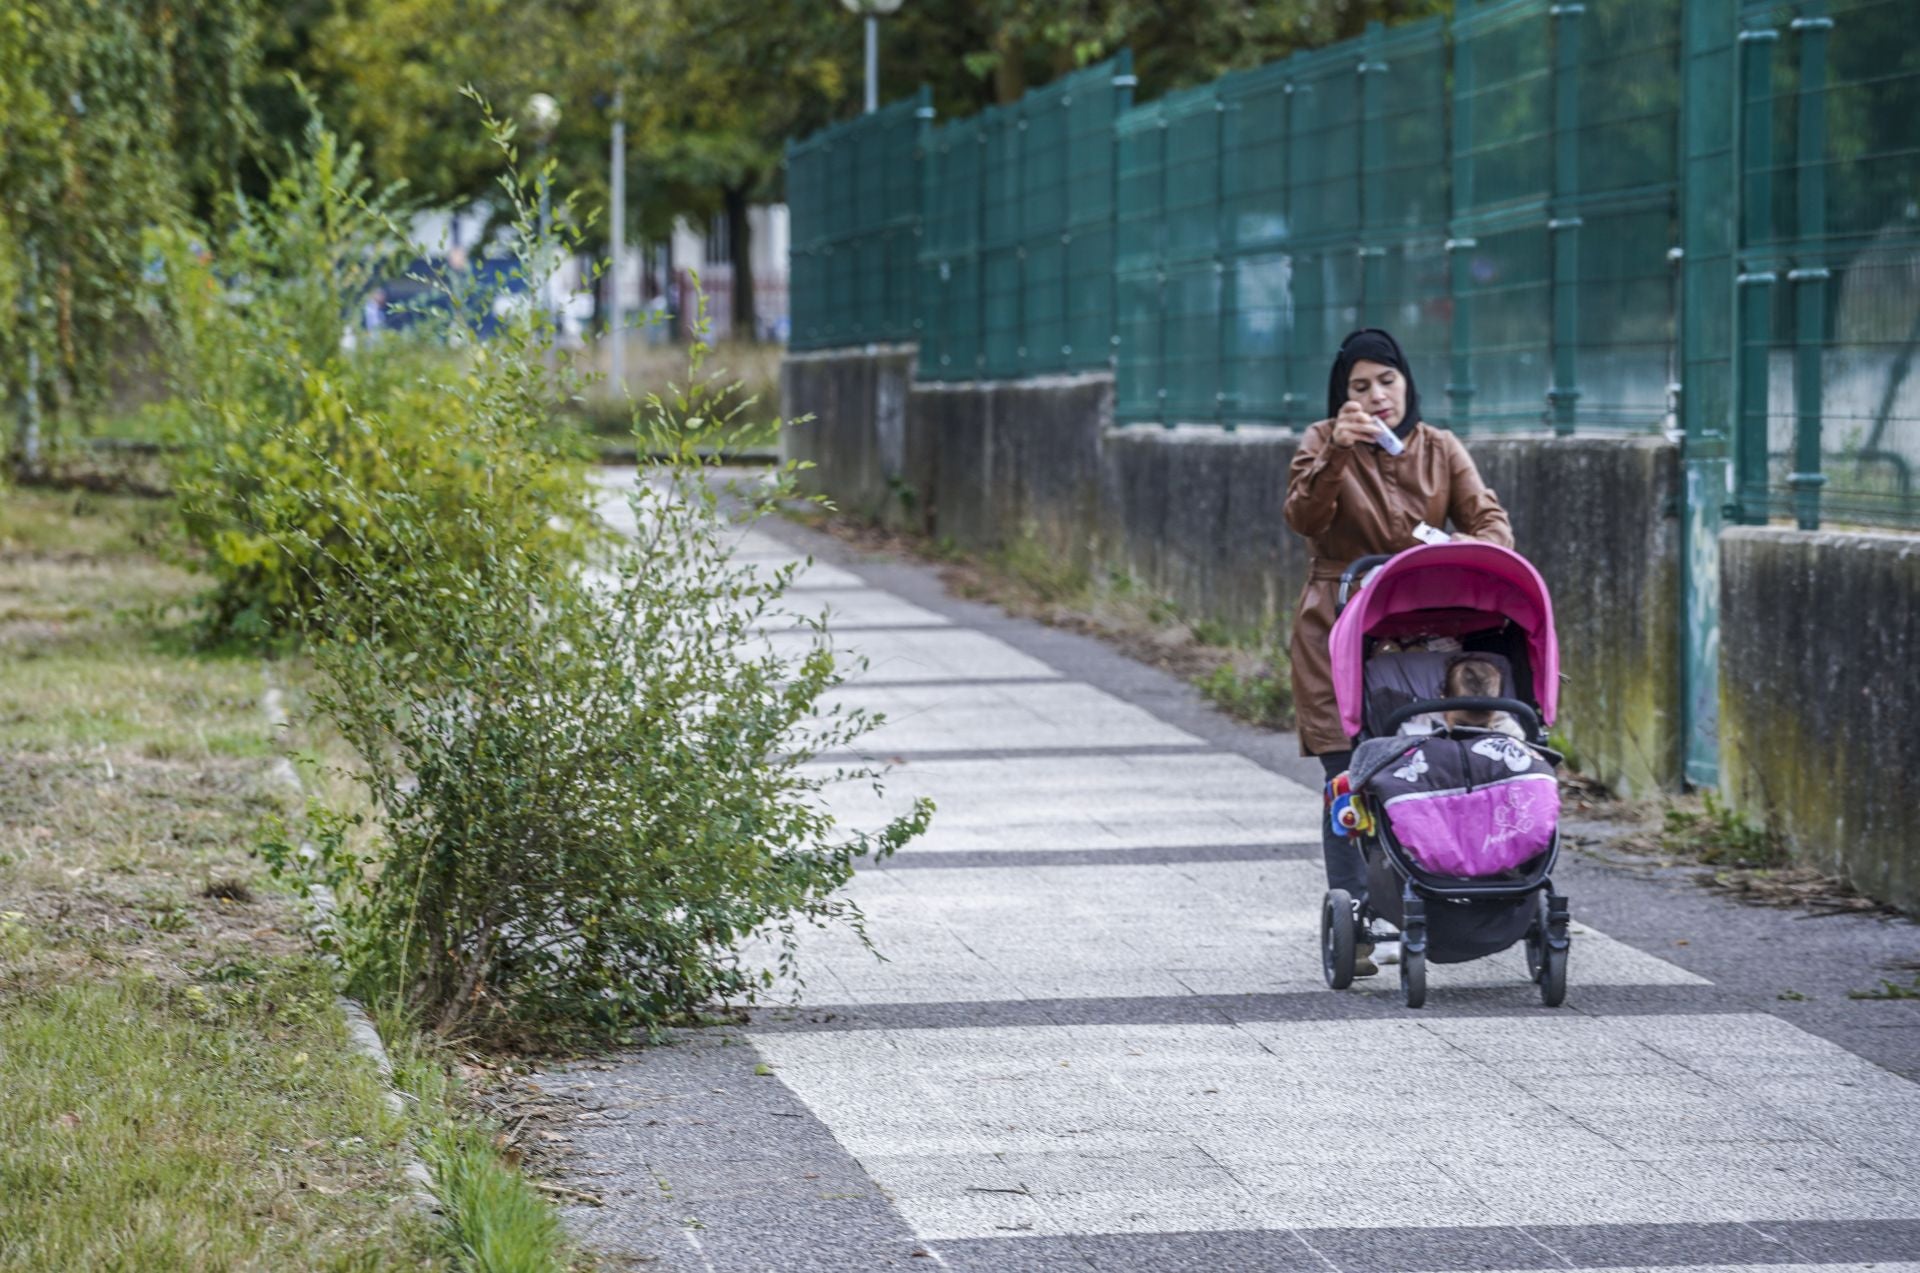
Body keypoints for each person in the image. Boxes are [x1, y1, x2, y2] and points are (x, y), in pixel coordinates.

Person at [1283, 328, 1513, 973]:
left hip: (1432, 624)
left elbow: (1492, 525)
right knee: (1345, 778)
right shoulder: (1321, 442)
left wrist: (1450, 556)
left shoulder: (1440, 448)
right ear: (1341, 397)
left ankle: (1459, 891)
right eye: (1359, 387)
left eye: (1386, 381)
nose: (1376, 396)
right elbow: (1302, 518)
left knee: (1447, 761)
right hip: (1339, 624)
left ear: (1406, 383)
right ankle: (1354, 913)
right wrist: (1335, 451)